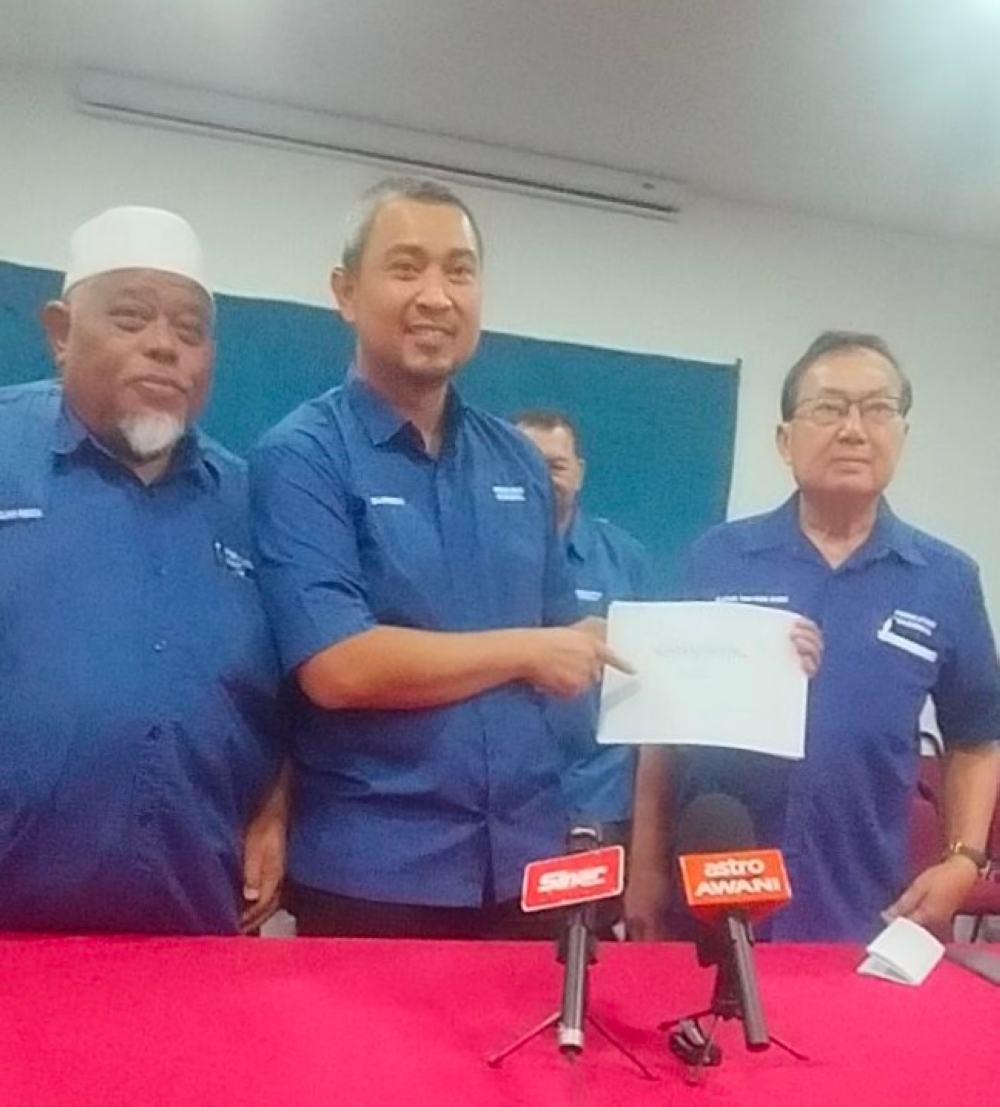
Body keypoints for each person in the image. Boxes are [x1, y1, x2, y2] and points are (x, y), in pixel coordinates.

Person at [250, 178, 625, 939]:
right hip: (373, 872)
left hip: (526, 863)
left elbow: (565, 635)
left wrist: (734, 663)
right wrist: (527, 651)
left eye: (459, 271)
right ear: (346, 292)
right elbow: (339, 666)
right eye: (407, 267)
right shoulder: (302, 456)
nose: (436, 295)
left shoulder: (516, 460)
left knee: (536, 1063)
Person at [627, 331, 1000, 942]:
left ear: (903, 434)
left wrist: (963, 858)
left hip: (862, 906)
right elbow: (663, 731)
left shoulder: (948, 580)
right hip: (709, 896)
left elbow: (977, 738)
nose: (854, 429)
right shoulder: (717, 559)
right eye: (828, 408)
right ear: (784, 439)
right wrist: (644, 867)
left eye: (878, 408)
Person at [0, 206, 284, 935]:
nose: (165, 346)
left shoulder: (251, 502)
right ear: (61, 332)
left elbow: (298, 693)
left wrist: (279, 806)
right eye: (132, 318)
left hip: (189, 925)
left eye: (190, 330)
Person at [515, 409, 656, 843]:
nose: (543, 476)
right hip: (499, 801)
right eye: (527, 463)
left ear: (578, 472)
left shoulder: (624, 558)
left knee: (590, 914)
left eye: (556, 465)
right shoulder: (469, 554)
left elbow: (654, 685)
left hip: (599, 797)